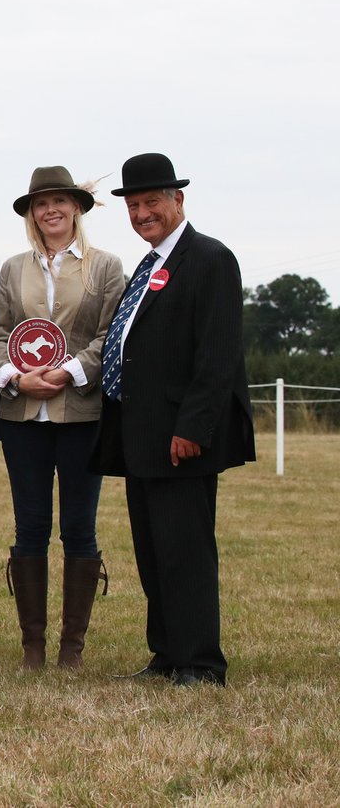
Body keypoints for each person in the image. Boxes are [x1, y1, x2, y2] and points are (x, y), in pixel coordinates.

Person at [91, 153, 255, 687]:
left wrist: (193, 428)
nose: (142, 213)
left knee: (185, 550)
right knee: (154, 550)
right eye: (134, 205)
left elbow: (217, 354)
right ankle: (166, 654)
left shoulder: (209, 258)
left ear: (178, 200)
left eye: (152, 202)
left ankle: (201, 662)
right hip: (142, 434)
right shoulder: (150, 264)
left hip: (180, 435)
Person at [0, 166, 125, 670]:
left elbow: (110, 335)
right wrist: (16, 377)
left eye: (60, 201)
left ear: (76, 208)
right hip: (21, 416)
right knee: (30, 528)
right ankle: (33, 648)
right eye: (40, 203)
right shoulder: (13, 269)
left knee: (79, 529)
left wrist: (67, 372)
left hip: (81, 413)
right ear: (31, 213)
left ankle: (72, 649)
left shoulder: (106, 268)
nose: (51, 210)